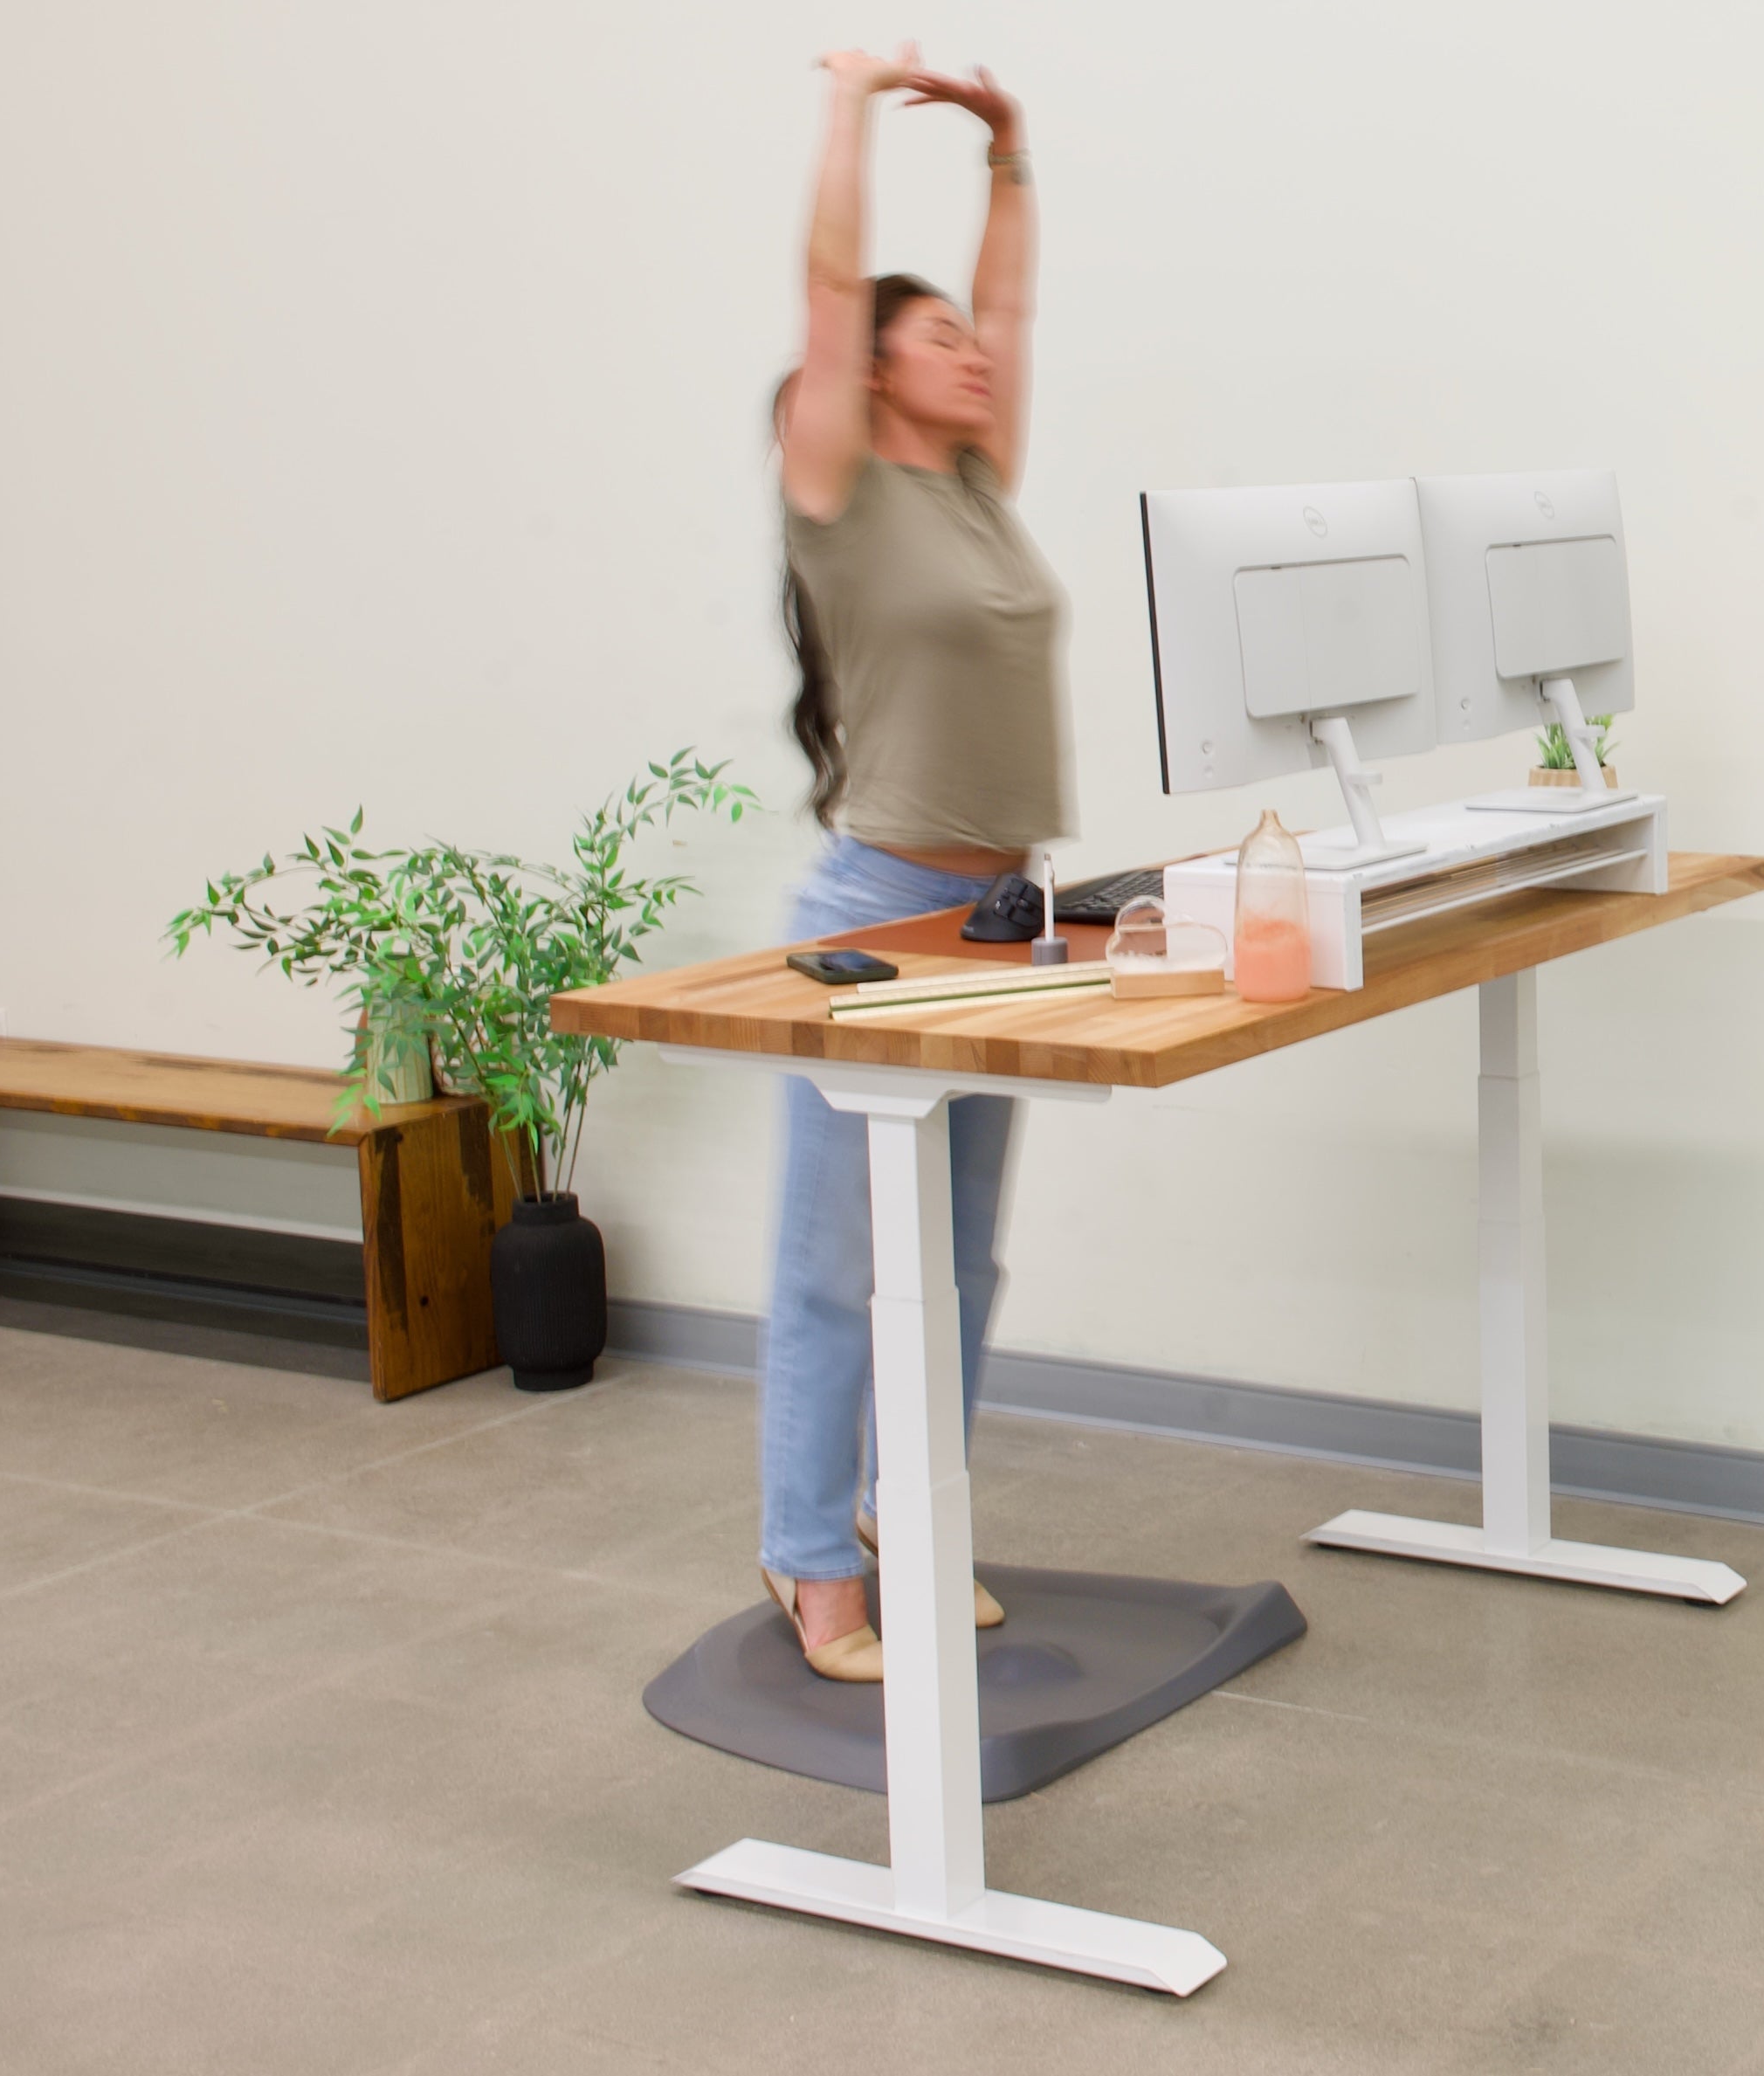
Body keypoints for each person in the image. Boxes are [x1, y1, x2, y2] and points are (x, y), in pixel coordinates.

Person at [756, 45, 1060, 1682]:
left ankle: (913, 1511)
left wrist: (1009, 154)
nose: (973, 356)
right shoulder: (841, 490)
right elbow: (824, 284)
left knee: (957, 1254)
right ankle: (808, 1561)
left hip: (1002, 920)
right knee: (833, 1263)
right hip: (878, 914)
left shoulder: (982, 492)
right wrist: (849, 110)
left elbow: (1010, 317)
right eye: (932, 340)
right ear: (864, 381)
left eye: (966, 340)